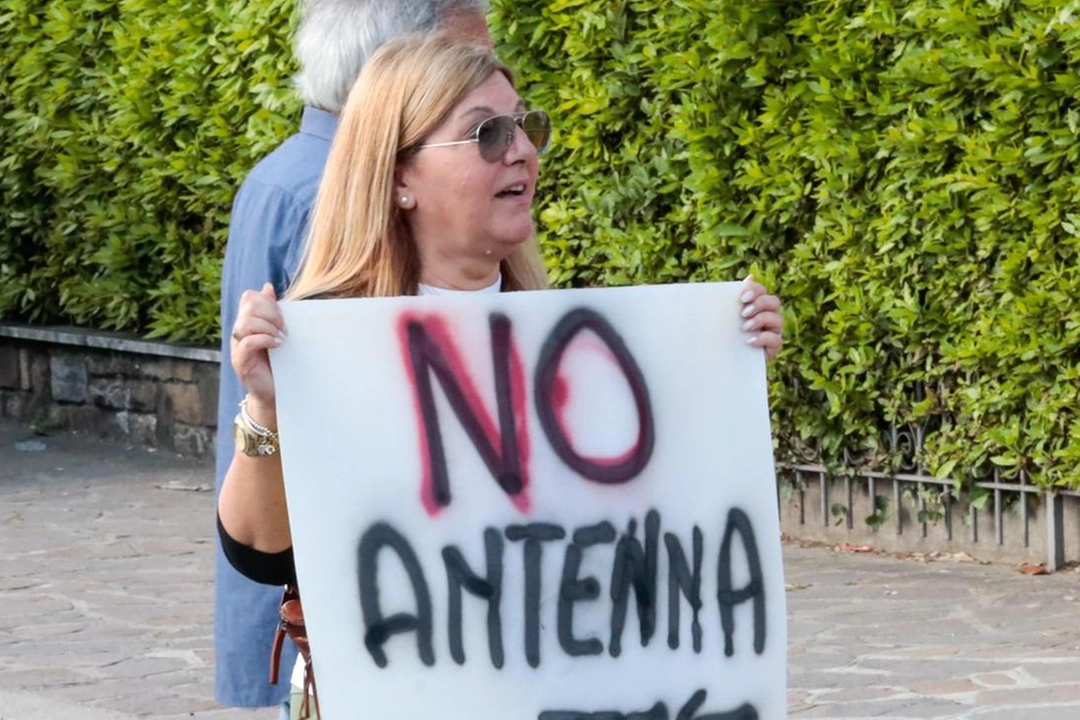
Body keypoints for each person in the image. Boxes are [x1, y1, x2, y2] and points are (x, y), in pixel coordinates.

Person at [218, 32, 785, 716]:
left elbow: (658, 519)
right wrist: (267, 410)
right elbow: (260, 554)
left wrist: (725, 357)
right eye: (486, 134)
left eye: (526, 126)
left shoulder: (574, 346)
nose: (521, 149)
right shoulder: (327, 344)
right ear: (399, 178)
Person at [213, 0, 496, 709]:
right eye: (462, 67)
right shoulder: (330, 204)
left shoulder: (277, 176)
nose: (513, 145)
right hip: (362, 631)